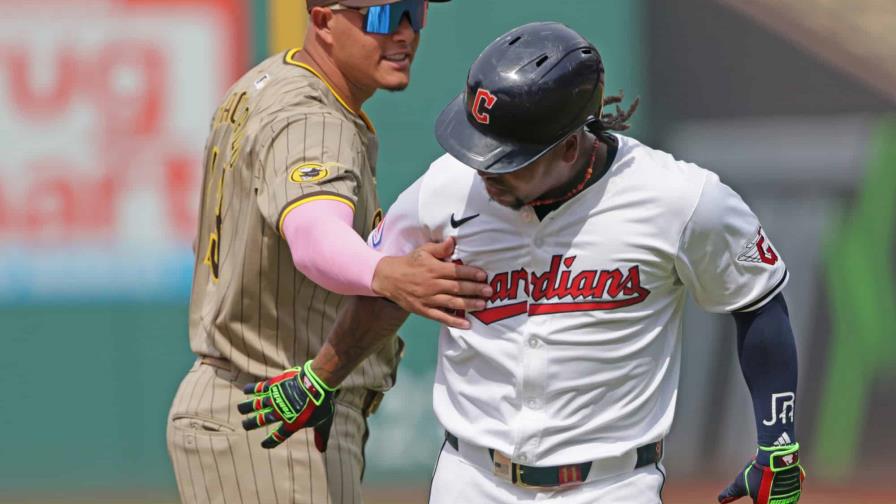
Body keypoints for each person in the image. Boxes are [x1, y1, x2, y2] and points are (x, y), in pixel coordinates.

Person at [239, 22, 806, 504]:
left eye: (506, 159)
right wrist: (322, 377)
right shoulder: (447, 188)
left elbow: (756, 301)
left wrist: (777, 446)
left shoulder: (679, 199)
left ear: (568, 145)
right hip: (471, 481)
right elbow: (394, 287)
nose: (483, 169)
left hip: (610, 487)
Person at [166, 1, 494, 503]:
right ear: (323, 21)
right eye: (384, 17)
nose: (405, 34)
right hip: (274, 413)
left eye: (416, 13)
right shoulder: (311, 119)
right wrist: (387, 273)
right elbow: (314, 236)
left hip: (246, 406)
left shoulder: (264, 84)